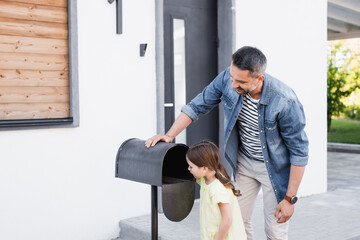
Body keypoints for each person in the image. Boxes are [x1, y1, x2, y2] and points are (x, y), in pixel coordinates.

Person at [145, 46, 309, 240]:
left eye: (240, 82)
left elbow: (299, 151)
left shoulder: (284, 100)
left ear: (259, 79)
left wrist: (290, 199)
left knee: (275, 230)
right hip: (244, 163)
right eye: (232, 77)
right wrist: (169, 135)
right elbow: (196, 106)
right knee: (238, 222)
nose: (233, 85)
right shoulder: (227, 78)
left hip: (274, 169)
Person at [186, 141, 247, 240]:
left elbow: (227, 219)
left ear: (205, 169)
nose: (188, 169)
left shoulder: (217, 189)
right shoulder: (205, 180)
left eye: (191, 166)